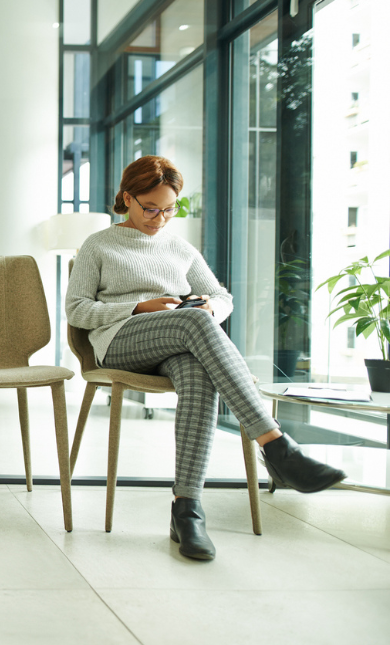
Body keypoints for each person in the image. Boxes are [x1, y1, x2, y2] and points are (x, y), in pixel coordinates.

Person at [66, 155, 345, 561]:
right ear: (127, 197)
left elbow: (222, 297)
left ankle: (187, 509)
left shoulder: (180, 247)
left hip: (177, 338)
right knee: (194, 323)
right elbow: (77, 310)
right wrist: (140, 307)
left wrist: (210, 307)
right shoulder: (99, 244)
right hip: (120, 341)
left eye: (168, 210)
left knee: (198, 371)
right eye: (150, 208)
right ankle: (276, 445)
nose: (159, 218)